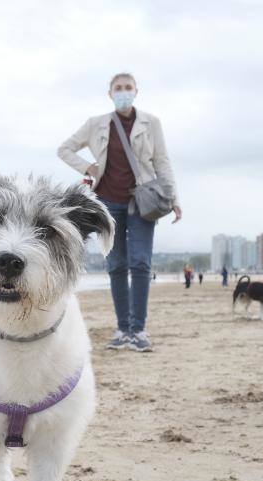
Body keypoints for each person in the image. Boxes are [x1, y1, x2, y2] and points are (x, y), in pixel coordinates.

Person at [58, 72, 181, 352]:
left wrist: (173, 197)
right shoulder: (96, 124)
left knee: (140, 263)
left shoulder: (152, 123)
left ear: (137, 91)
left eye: (128, 88)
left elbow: (162, 161)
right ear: (110, 93)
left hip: (142, 201)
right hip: (107, 203)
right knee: (116, 266)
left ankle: (138, 330)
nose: (123, 92)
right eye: (118, 88)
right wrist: (88, 168)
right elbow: (64, 149)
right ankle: (121, 329)